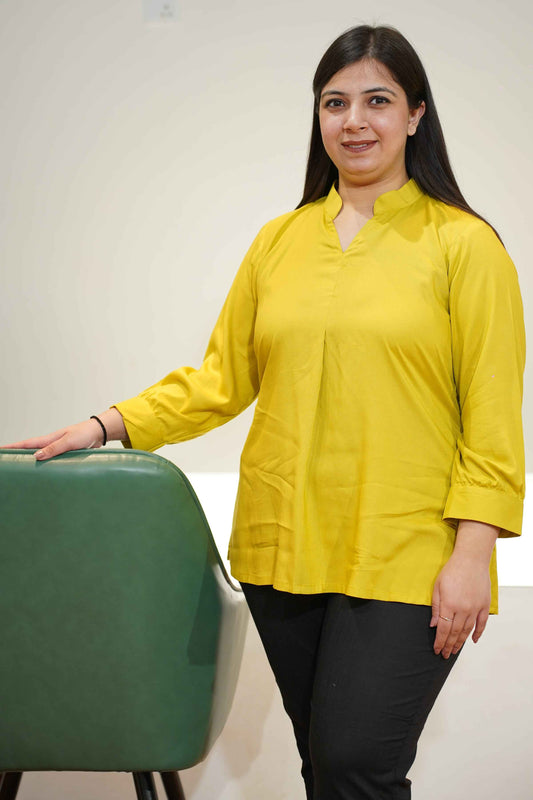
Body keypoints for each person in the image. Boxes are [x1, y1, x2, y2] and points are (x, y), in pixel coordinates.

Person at [6, 24, 526, 800]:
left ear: (415, 114)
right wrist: (105, 424)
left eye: (377, 100)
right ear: (317, 116)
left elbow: (492, 413)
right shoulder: (277, 242)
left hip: (406, 552)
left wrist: (471, 555)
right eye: (335, 103)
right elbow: (220, 380)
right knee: (324, 767)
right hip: (282, 547)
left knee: (356, 765)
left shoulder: (464, 245)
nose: (354, 121)